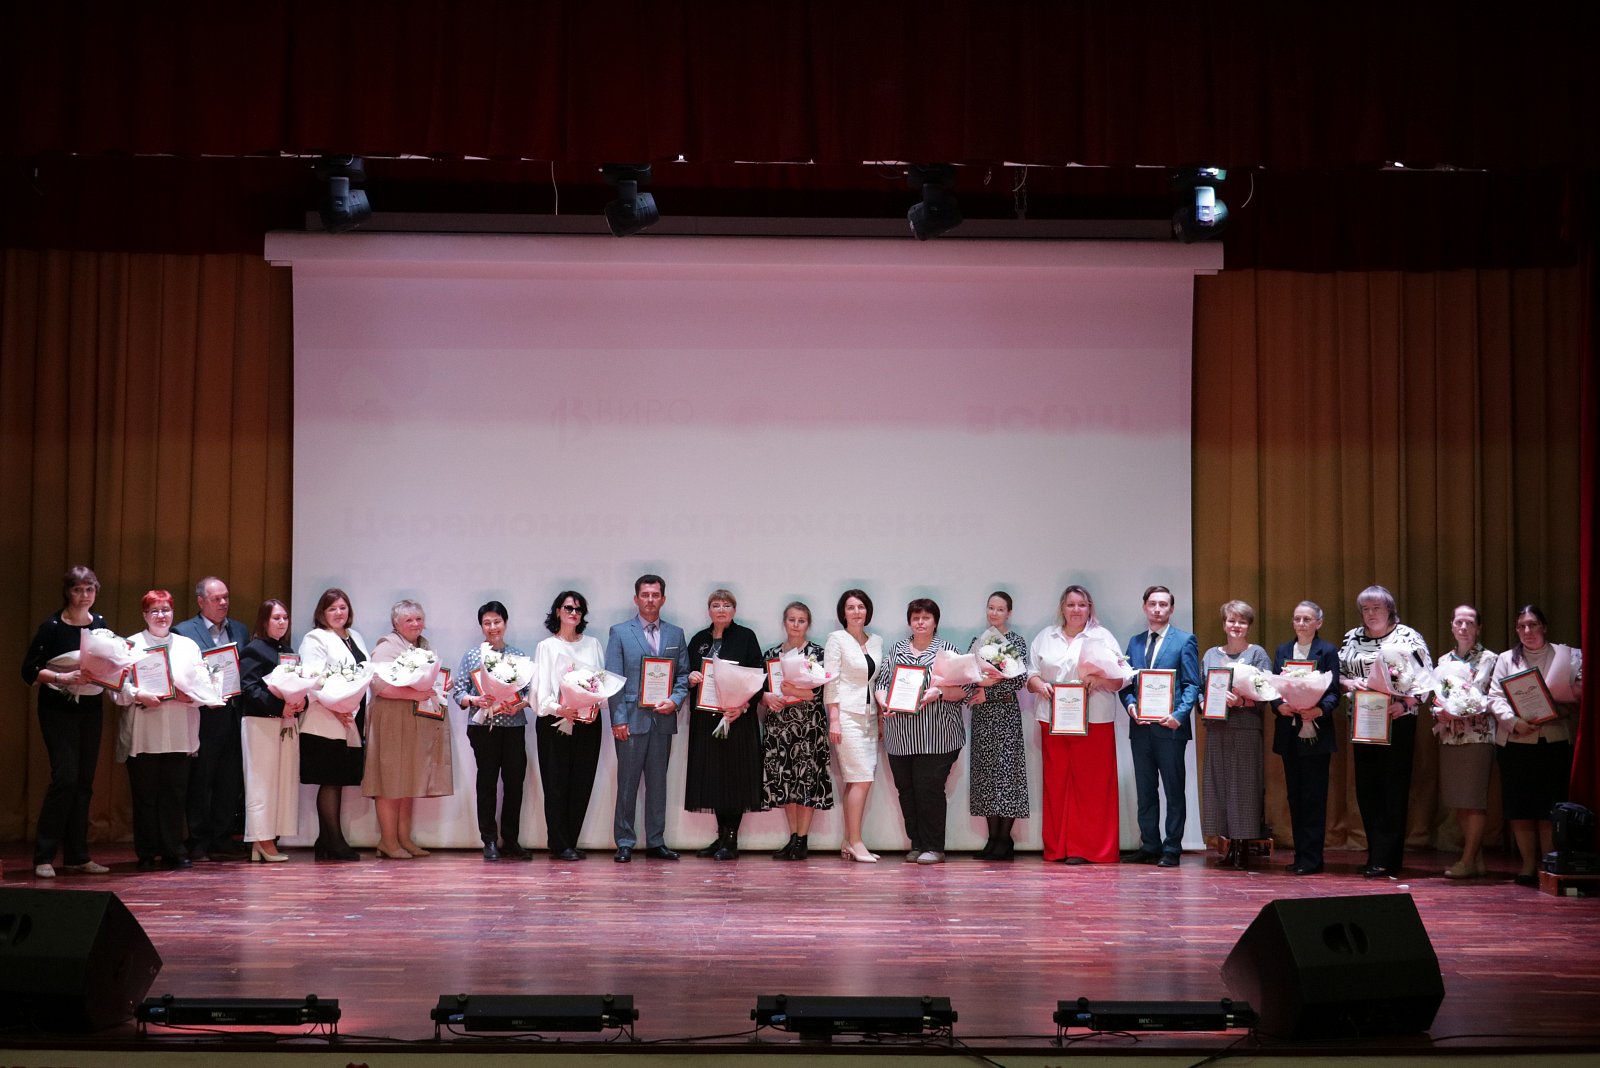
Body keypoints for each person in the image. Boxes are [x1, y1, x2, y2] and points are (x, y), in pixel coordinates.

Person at [21, 565, 113, 878]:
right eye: (78, 589)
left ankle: (77, 856)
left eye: (89, 589)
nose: (84, 595)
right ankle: (44, 856)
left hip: (90, 709)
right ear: (67, 592)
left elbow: (107, 662)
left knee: (84, 782)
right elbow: (29, 670)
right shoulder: (52, 627)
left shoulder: (99, 624)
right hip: (57, 710)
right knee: (66, 778)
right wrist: (63, 677)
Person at [1338, 584, 1431, 878]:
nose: (1370, 613)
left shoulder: (1408, 636)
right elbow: (1338, 673)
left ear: (1389, 609)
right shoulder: (1352, 637)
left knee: (1393, 789)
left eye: (1376, 608)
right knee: (1367, 790)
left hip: (1397, 719)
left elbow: (1426, 678)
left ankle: (1389, 858)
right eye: (1365, 608)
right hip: (1364, 720)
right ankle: (1376, 854)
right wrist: (1348, 683)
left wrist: (1405, 704)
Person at [1026, 585, 1121, 865]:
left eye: (1082, 604)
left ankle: (1090, 848)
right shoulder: (1046, 636)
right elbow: (1030, 675)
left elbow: (1120, 680)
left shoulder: (1102, 637)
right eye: (1071, 605)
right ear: (1062, 608)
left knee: (1092, 786)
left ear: (1090, 608)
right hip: (1053, 720)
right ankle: (1058, 847)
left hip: (1094, 720)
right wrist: (1039, 685)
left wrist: (1099, 680)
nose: (1076, 610)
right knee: (1056, 784)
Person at [1489, 605, 1583, 887]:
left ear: (1544, 627)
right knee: (1520, 807)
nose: (1527, 631)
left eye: (1533, 625)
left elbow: (1580, 693)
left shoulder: (1566, 655)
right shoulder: (1506, 658)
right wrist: (1514, 721)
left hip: (1553, 741)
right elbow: (1495, 697)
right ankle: (1528, 864)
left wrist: (1566, 704)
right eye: (1521, 626)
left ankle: (1547, 863)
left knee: (1548, 806)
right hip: (1516, 742)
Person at [114, 589, 205, 871]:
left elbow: (206, 684)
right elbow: (116, 688)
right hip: (144, 733)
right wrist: (138, 694)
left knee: (175, 795)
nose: (161, 615)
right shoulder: (131, 645)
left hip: (180, 732)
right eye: (154, 610)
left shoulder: (188, 646)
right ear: (144, 615)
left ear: (173, 612)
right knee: (145, 796)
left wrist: (190, 697)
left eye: (165, 610)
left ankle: (173, 849)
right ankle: (146, 852)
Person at [874, 598, 968, 864]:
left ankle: (934, 847)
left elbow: (965, 689)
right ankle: (917, 843)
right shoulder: (897, 650)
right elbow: (881, 684)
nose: (920, 622)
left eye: (926, 617)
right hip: (901, 737)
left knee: (930, 789)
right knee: (907, 791)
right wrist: (883, 702)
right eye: (916, 618)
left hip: (938, 736)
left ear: (935, 621)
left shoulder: (948, 651)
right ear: (909, 622)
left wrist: (939, 693)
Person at [605, 574, 690, 862]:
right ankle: (624, 842)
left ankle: (656, 841)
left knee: (658, 786)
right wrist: (618, 719)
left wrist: (675, 700)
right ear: (636, 599)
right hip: (630, 721)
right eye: (645, 595)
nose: (650, 600)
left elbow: (682, 676)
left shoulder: (675, 634)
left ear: (663, 599)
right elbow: (613, 679)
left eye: (655, 595)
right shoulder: (619, 632)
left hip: (662, 721)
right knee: (627, 785)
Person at [363, 599, 453, 859]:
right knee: (389, 782)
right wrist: (414, 694)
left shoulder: (423, 646)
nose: (415, 624)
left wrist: (439, 685)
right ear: (396, 623)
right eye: (409, 620)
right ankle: (388, 841)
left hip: (412, 721)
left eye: (419, 619)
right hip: (391, 721)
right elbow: (379, 685)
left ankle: (403, 838)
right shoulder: (386, 646)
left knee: (406, 781)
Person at [1120, 585, 1202, 868]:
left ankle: (1172, 848)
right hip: (1141, 728)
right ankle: (1150, 845)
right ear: (1144, 607)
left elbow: (1192, 684)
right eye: (1153, 604)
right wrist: (1131, 706)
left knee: (1174, 790)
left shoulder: (1185, 640)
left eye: (1163, 604)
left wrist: (1179, 715)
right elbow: (1125, 684)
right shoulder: (1134, 642)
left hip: (1171, 728)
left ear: (1171, 609)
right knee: (1146, 791)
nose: (1157, 609)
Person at [685, 588, 767, 860]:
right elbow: (684, 675)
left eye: (726, 605)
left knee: (735, 778)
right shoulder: (699, 640)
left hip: (738, 718)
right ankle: (721, 836)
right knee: (714, 778)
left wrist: (743, 706)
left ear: (734, 610)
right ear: (709, 610)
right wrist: (691, 678)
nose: (721, 610)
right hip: (706, 719)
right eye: (716, 605)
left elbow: (759, 677)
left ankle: (731, 838)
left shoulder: (746, 637)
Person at [173, 576, 250, 861]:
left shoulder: (239, 629)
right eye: (216, 598)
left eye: (226, 597)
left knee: (229, 780)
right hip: (203, 716)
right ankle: (198, 839)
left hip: (233, 715)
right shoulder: (184, 631)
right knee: (200, 780)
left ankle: (221, 836)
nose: (223, 603)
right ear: (201, 601)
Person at [453, 599, 533, 861]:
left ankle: (511, 840)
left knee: (514, 784)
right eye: (487, 623)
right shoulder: (473, 656)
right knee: (486, 783)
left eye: (497, 621)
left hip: (513, 726)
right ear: (481, 627)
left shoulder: (518, 656)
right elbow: (458, 692)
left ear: (505, 623)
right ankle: (488, 839)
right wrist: (475, 700)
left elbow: (529, 693)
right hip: (483, 727)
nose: (492, 627)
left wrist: (519, 704)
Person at [533, 591, 606, 861]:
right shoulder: (546, 646)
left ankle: (570, 841)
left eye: (578, 609)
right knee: (556, 784)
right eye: (568, 608)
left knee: (581, 782)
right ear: (558, 611)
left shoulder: (593, 644)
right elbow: (540, 689)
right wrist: (559, 708)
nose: (573, 613)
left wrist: (596, 705)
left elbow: (601, 682)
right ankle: (558, 843)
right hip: (555, 720)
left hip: (588, 721)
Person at [296, 587, 369, 861]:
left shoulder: (355, 637)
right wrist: (336, 706)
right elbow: (313, 679)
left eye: (342, 607)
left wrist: (349, 706)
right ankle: (335, 842)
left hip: (349, 719)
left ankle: (324, 841)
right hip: (323, 718)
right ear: (322, 613)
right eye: (332, 609)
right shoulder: (315, 638)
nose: (339, 613)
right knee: (329, 780)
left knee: (339, 779)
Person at [1269, 600, 1340, 875]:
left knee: (1314, 798)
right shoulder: (1283, 650)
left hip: (1316, 733)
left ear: (1318, 623)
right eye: (1297, 618)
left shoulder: (1327, 651)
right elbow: (1273, 687)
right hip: (1289, 732)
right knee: (1295, 797)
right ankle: (1300, 855)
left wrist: (1318, 710)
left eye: (1307, 619)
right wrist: (1279, 706)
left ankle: (1312, 858)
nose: (1301, 623)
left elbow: (1333, 692)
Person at [1199, 600, 1272, 865]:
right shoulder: (1210, 655)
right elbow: (1200, 687)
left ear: (1248, 626)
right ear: (1224, 624)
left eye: (1242, 621)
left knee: (1244, 787)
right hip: (1217, 728)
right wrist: (1203, 702)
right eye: (1231, 620)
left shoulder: (1257, 654)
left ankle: (1242, 847)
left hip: (1245, 728)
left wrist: (1242, 701)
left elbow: (1267, 693)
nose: (1236, 626)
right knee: (1218, 786)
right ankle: (1228, 844)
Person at [760, 601, 834, 860]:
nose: (796, 624)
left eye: (801, 620)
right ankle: (792, 837)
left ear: (808, 624)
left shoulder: (817, 654)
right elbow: (761, 690)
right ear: (784, 622)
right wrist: (767, 698)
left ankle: (803, 839)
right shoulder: (771, 654)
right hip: (779, 726)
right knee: (785, 782)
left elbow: (819, 693)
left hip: (808, 727)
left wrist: (795, 691)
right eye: (791, 619)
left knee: (806, 782)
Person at [1434, 604, 1497, 879]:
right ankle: (1476, 856)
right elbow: (1437, 694)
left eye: (1469, 622)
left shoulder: (1490, 659)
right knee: (1458, 799)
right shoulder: (1443, 660)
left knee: (1473, 800)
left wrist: (1465, 708)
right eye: (1458, 622)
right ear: (1451, 626)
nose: (1463, 627)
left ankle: (1467, 860)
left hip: (1477, 734)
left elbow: (1492, 698)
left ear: (1478, 628)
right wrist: (1438, 710)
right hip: (1450, 735)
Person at [965, 591, 1030, 860]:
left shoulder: (1016, 641)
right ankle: (992, 839)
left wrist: (988, 692)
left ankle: (1005, 839)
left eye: (1000, 609)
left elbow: (1019, 680)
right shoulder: (978, 641)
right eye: (991, 608)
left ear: (1009, 613)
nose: (994, 613)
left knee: (1007, 777)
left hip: (1005, 715)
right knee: (987, 777)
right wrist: (978, 686)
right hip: (982, 717)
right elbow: (967, 675)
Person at [238, 598, 304, 861]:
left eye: (285, 618)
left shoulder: (287, 651)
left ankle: (269, 838)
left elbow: (298, 683)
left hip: (284, 723)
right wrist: (280, 706)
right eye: (276, 618)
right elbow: (249, 688)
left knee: (281, 782)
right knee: (261, 783)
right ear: (264, 621)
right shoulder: (254, 649)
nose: (282, 622)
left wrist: (300, 703)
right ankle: (261, 839)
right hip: (260, 723)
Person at [824, 589, 884, 863]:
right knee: (861, 777)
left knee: (858, 778)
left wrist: (880, 717)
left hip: (869, 715)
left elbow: (876, 681)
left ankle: (849, 840)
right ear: (843, 613)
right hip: (847, 716)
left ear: (867, 611)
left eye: (861, 606)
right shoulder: (836, 639)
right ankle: (857, 842)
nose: (856, 612)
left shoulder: (876, 641)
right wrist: (834, 719)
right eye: (851, 607)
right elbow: (831, 681)